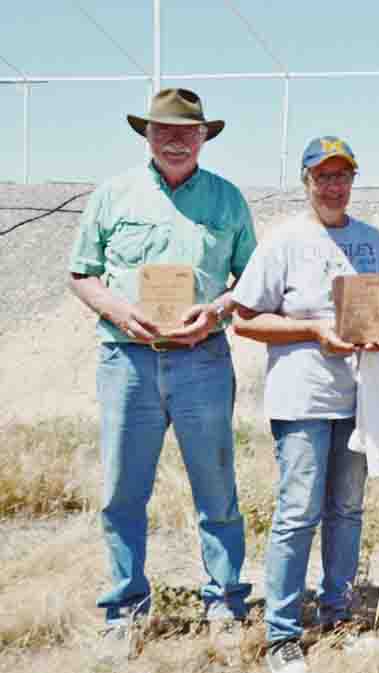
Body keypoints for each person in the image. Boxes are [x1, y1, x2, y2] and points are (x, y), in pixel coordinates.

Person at [66, 88, 255, 649]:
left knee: (216, 488)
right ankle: (124, 607)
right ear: (146, 135)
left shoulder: (227, 200)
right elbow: (81, 273)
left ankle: (224, 601)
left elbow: (251, 281)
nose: (175, 140)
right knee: (123, 489)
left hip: (203, 360)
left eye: (187, 131)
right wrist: (119, 311)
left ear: (204, 137)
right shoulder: (112, 195)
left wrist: (216, 310)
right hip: (127, 361)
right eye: (164, 130)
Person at [231, 137, 379, 673]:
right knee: (297, 513)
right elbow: (244, 318)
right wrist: (311, 330)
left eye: (342, 175)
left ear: (353, 180)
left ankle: (339, 613)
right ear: (306, 182)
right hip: (303, 398)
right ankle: (282, 632)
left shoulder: (372, 241)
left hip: (360, 399)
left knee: (348, 510)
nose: (334, 186)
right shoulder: (284, 241)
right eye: (323, 176)